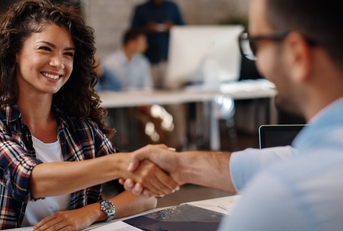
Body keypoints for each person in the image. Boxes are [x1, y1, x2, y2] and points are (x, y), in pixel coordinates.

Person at [122, 0, 343, 230]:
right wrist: (181, 166)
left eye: (256, 44)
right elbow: (290, 159)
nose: (258, 64)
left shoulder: (281, 202)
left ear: (296, 54)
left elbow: (292, 173)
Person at [0, 0, 179, 230]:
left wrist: (92, 212)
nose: (58, 63)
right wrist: (120, 164)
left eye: (68, 54)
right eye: (45, 48)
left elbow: (146, 196)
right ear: (15, 52)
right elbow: (32, 179)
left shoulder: (81, 129)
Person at [130, 0, 184, 88]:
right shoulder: (141, 9)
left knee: (172, 92)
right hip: (149, 59)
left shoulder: (172, 7)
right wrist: (146, 29)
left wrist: (173, 27)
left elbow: (183, 28)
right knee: (150, 91)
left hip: (169, 57)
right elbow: (132, 32)